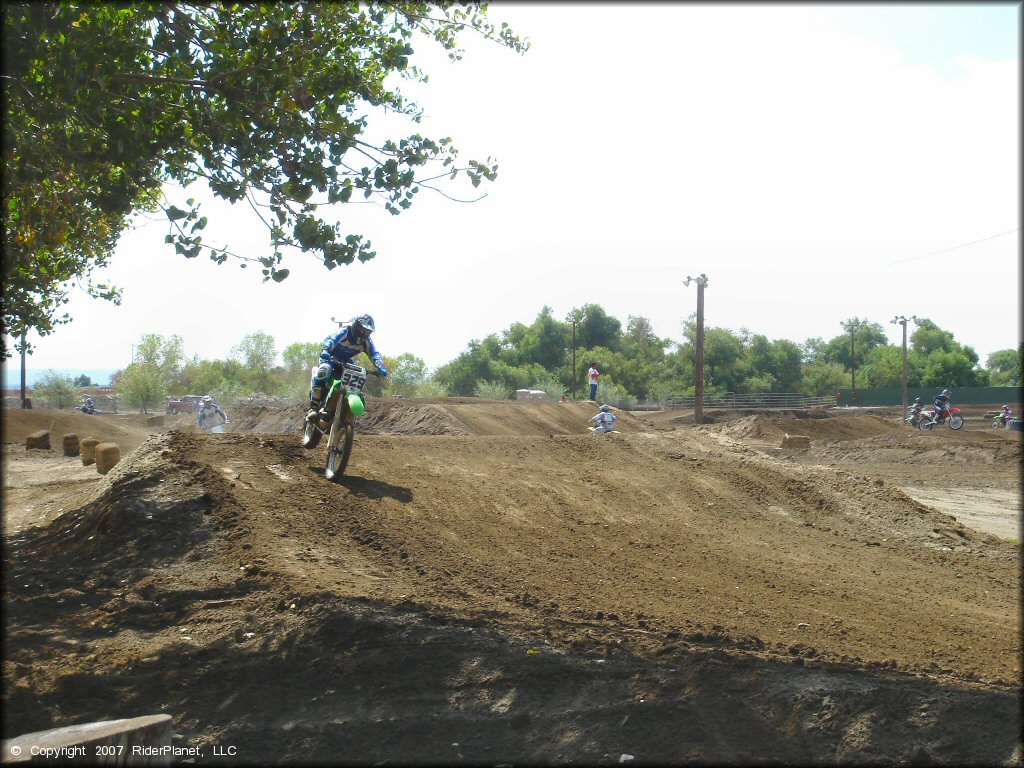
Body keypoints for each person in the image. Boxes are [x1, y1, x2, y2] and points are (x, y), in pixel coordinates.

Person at [306, 314, 388, 424]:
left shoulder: (366, 341)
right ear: (355, 325)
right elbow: (331, 339)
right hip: (330, 358)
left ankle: (344, 408)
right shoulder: (345, 331)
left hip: (346, 362)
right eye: (361, 329)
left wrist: (380, 366)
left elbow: (374, 354)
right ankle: (314, 407)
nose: (363, 333)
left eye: (367, 331)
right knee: (323, 371)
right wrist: (326, 349)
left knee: (356, 378)